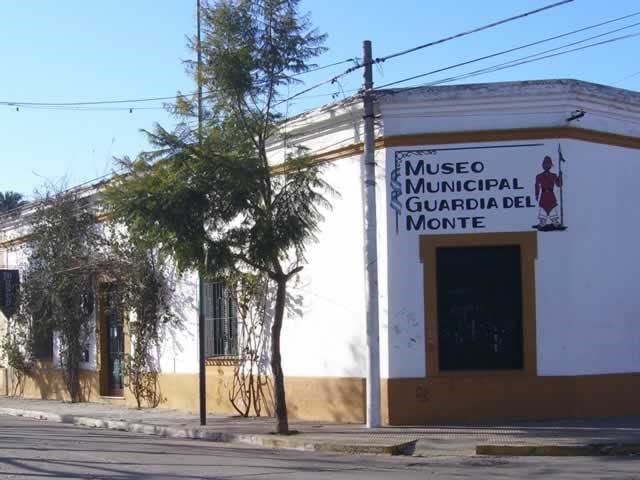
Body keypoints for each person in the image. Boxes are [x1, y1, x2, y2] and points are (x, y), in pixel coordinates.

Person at [535, 155, 562, 228]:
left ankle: (555, 223)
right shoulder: (539, 176)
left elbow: (559, 185)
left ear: (550, 165)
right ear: (543, 165)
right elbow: (537, 186)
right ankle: (542, 223)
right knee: (543, 208)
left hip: (551, 194)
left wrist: (560, 177)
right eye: (545, 164)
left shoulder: (554, 175)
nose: (546, 166)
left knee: (552, 207)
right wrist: (536, 195)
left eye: (548, 164)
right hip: (543, 195)